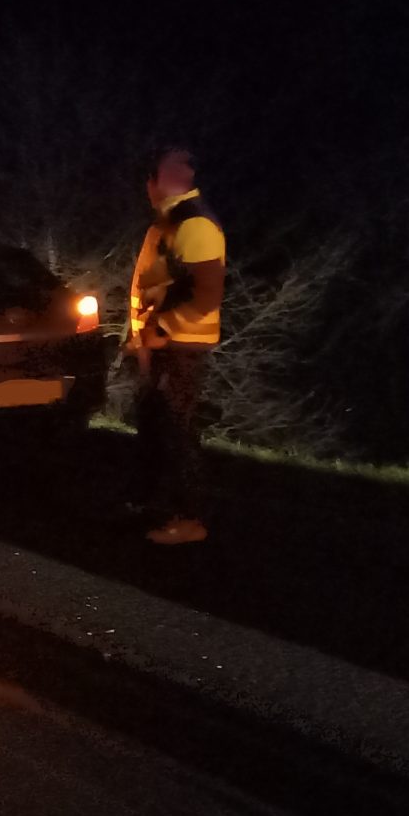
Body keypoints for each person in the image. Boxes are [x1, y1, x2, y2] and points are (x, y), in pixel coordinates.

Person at [125, 144, 227, 544]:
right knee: (154, 424)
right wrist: (139, 338)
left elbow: (206, 293)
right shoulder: (168, 223)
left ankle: (190, 518)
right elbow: (151, 285)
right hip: (162, 344)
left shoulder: (194, 225)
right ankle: (151, 502)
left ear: (157, 183)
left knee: (176, 431)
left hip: (182, 345)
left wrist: (162, 330)